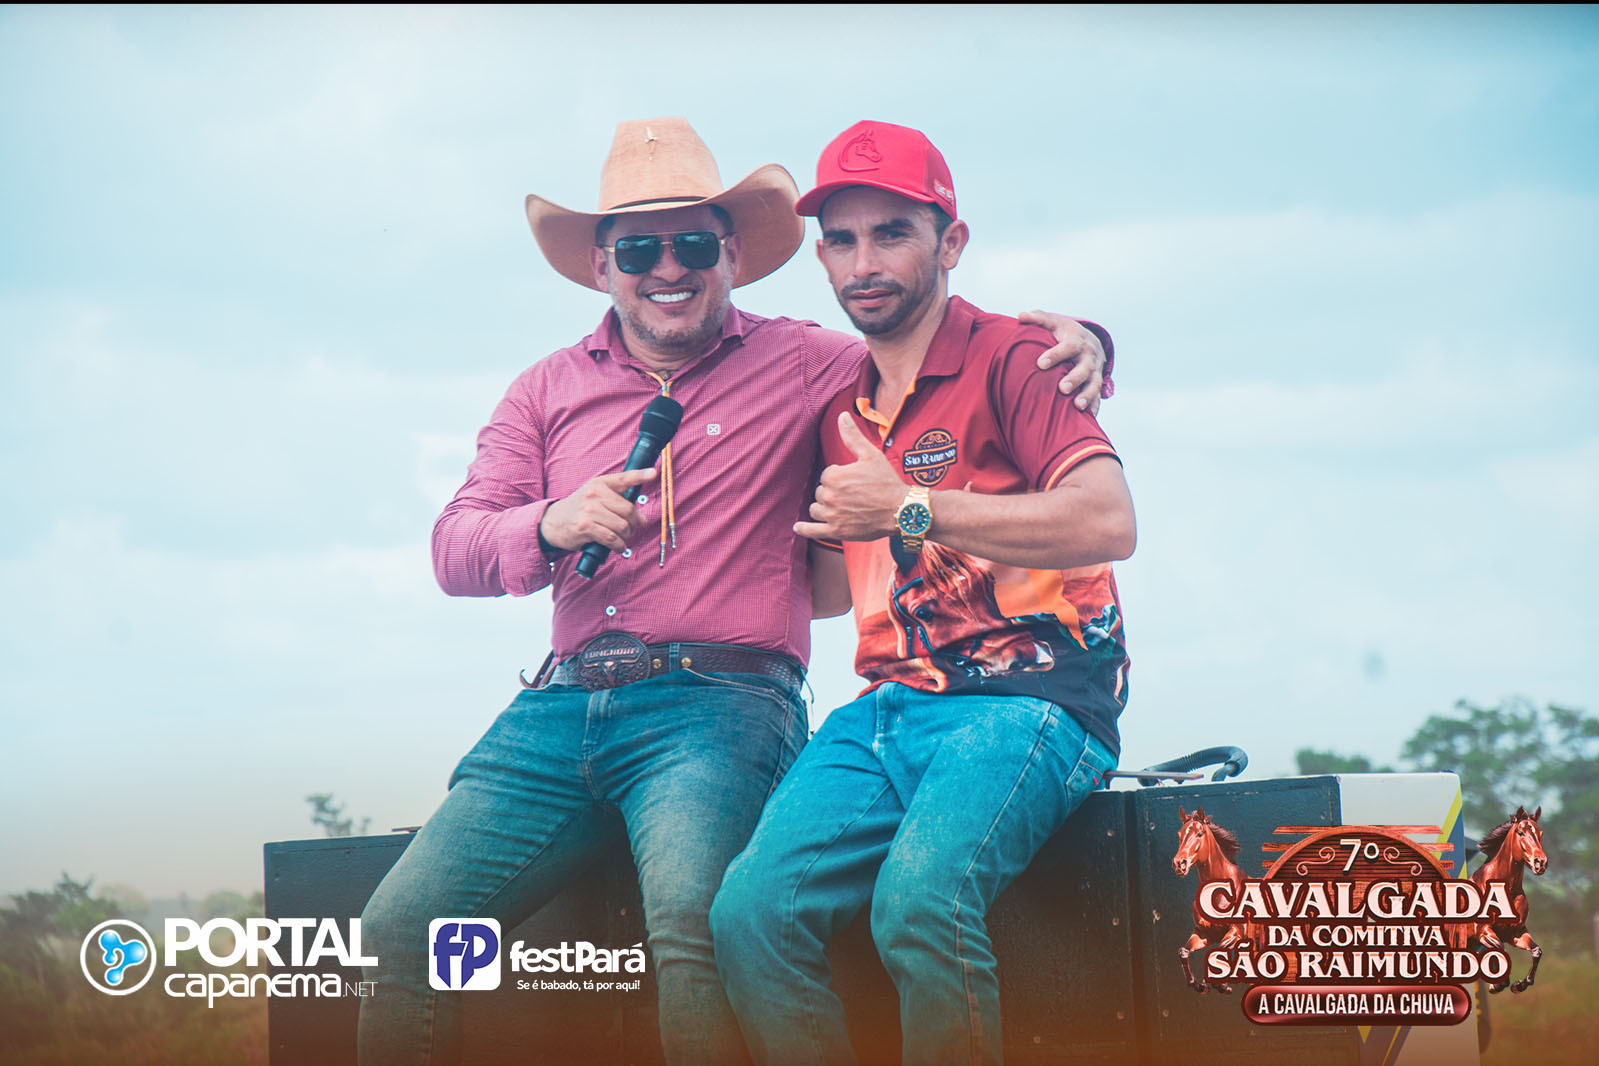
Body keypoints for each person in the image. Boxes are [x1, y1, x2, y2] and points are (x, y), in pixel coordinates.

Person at [356, 117, 1114, 1066]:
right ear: (601, 265)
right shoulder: (542, 390)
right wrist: (551, 522)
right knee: (399, 934)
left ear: (732, 257)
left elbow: (934, 341)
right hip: (556, 707)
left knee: (695, 924)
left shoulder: (810, 362)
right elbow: (452, 550)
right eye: (640, 249)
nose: (667, 268)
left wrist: (1080, 340)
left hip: (719, 705)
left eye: (692, 243)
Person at [710, 121, 1137, 1066]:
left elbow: (1108, 522)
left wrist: (906, 507)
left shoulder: (1017, 358)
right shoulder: (839, 400)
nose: (863, 262)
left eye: (892, 233)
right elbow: (831, 589)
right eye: (841, 239)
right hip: (887, 708)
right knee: (747, 917)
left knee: (918, 904)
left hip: (1033, 696)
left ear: (951, 242)